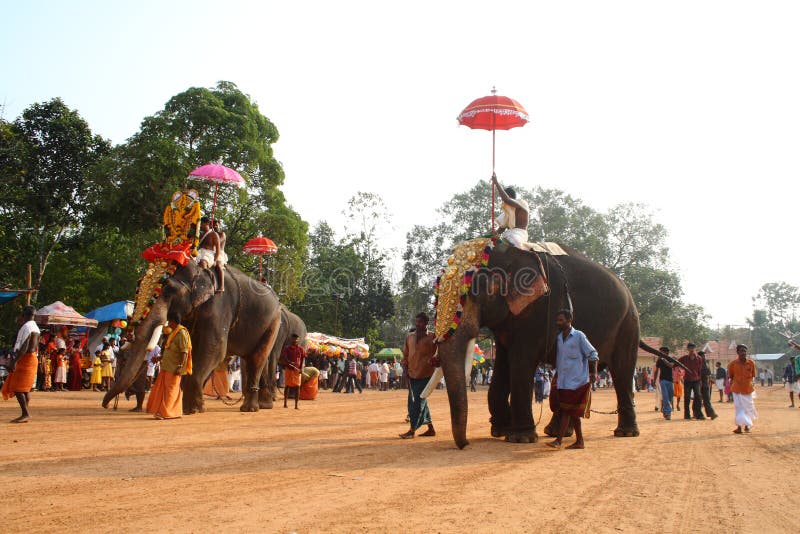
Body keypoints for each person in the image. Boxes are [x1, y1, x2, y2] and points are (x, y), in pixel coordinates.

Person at [547, 310, 598, 450]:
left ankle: (558, 441)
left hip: (577, 382)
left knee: (566, 411)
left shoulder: (579, 336)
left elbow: (593, 354)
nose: (558, 322)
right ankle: (579, 441)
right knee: (573, 413)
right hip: (563, 381)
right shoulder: (558, 338)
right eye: (557, 320)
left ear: (569, 320)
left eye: (561, 320)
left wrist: (593, 372)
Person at [146, 311, 191, 420]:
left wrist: (180, 365)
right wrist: (159, 358)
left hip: (174, 367)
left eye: (169, 321)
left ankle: (165, 413)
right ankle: (171, 411)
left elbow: (184, 351)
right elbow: (169, 350)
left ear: (173, 321)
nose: (167, 324)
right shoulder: (173, 332)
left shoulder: (181, 333)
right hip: (166, 366)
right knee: (164, 389)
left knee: (171, 390)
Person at [399, 313, 436, 439]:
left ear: (426, 323)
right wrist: (405, 371)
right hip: (412, 374)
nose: (417, 324)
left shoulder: (433, 337)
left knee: (417, 402)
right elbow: (405, 355)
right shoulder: (410, 337)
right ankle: (431, 429)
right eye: (417, 322)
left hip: (426, 375)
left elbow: (439, 355)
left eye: (420, 322)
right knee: (419, 401)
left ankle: (412, 430)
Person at [2, 306, 41, 422]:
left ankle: (25, 413)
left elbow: (24, 347)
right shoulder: (36, 327)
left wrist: (14, 362)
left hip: (26, 359)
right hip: (32, 358)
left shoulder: (27, 327)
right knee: (25, 389)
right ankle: (25, 412)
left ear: (23, 315)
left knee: (18, 388)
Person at [491, 174, 530, 248]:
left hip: (519, 234)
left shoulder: (522, 204)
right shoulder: (506, 213)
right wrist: (493, 235)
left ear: (510, 197)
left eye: (503, 197)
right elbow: (501, 230)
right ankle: (485, 259)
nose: (503, 201)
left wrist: (496, 183)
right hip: (508, 234)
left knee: (513, 242)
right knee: (489, 246)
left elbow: (506, 199)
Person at [728, 344, 757, 434]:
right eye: (741, 351)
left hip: (748, 389)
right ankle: (739, 427)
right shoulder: (733, 364)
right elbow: (731, 376)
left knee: (747, 407)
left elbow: (753, 375)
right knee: (739, 408)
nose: (743, 353)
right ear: (737, 352)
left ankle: (747, 426)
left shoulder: (751, 363)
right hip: (737, 389)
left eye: (745, 351)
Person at [196, 216, 226, 293]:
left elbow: (218, 250)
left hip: (210, 253)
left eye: (201, 224)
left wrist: (215, 260)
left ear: (207, 224)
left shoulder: (217, 234)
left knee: (208, 263)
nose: (200, 226)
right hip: (199, 252)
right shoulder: (200, 235)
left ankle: (213, 285)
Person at [678, 343, 705, 420]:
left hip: (696, 380)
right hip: (687, 380)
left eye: (692, 348)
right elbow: (676, 363)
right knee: (687, 398)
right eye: (690, 348)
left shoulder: (699, 358)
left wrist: (700, 380)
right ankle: (687, 415)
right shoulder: (684, 358)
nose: (691, 349)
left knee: (698, 397)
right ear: (688, 349)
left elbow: (700, 370)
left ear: (694, 348)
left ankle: (699, 414)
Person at [281, 334, 306, 409]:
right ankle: (285, 403)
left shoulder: (301, 349)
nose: (295, 340)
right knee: (287, 386)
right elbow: (284, 358)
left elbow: (302, 359)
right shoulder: (287, 349)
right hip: (289, 369)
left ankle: (296, 405)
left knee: (297, 386)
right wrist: (289, 362)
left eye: (296, 339)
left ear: (298, 340)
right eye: (294, 339)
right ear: (291, 339)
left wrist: (301, 368)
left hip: (297, 371)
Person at [655, 347, 675, 420]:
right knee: (666, 396)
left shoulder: (671, 359)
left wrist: (663, 359)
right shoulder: (659, 361)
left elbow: (671, 365)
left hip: (670, 381)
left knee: (670, 396)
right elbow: (656, 370)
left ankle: (664, 407)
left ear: (666, 352)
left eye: (661, 352)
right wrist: (655, 380)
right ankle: (667, 413)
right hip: (663, 381)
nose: (660, 353)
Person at [698, 351, 718, 419]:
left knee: (707, 399)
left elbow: (709, 373)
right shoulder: (698, 364)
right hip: (699, 383)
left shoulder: (706, 364)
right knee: (698, 400)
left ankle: (711, 413)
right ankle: (698, 414)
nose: (704, 357)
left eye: (704, 356)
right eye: (703, 356)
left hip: (706, 383)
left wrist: (711, 379)